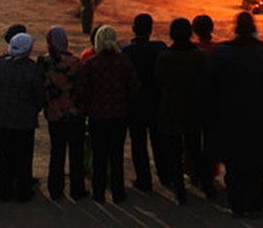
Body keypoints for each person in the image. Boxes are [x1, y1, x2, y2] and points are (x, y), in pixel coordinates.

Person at [205, 12, 263, 218]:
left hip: (231, 119)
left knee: (234, 166)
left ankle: (237, 204)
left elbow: (209, 88)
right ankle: (255, 204)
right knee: (256, 165)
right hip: (260, 118)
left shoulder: (221, 53)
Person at [75, 25, 141, 203]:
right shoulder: (124, 61)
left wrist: (90, 105)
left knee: (99, 157)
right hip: (119, 115)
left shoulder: (91, 63)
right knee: (116, 156)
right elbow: (135, 87)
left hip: (98, 116)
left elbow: (82, 91)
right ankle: (118, 192)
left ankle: (98, 193)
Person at [155, 17, 210, 203]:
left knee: (175, 153)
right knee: (195, 149)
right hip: (193, 108)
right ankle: (207, 185)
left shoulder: (165, 57)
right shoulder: (199, 56)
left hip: (172, 109)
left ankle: (180, 191)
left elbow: (159, 80)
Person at [0, 32, 44, 202]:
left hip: (0, 120)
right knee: (23, 158)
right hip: (23, 122)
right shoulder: (32, 70)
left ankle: (3, 190)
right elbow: (39, 98)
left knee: (3, 156)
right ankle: (23, 191)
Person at [39, 26, 87, 200]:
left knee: (57, 152)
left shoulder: (44, 63)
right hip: (74, 114)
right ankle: (77, 189)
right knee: (76, 153)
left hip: (55, 114)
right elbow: (82, 89)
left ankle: (55, 189)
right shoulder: (76, 62)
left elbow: (41, 90)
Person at [122, 14, 168, 194]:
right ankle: (165, 175)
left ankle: (144, 180)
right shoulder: (160, 48)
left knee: (138, 143)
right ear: (151, 29)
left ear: (134, 29)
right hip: (156, 102)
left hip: (136, 104)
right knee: (159, 142)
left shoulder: (128, 51)